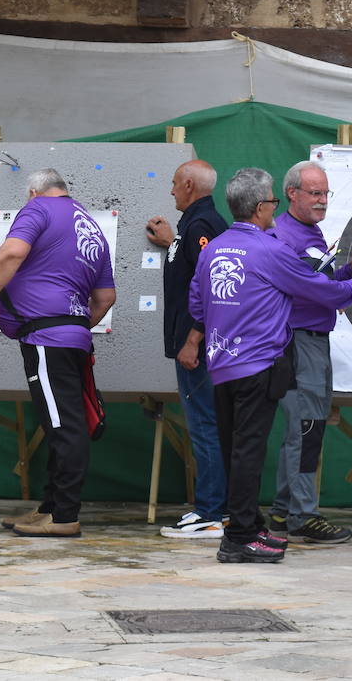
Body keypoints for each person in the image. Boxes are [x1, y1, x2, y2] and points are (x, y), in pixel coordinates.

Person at [182, 168, 352, 564]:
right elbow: (315, 289)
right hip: (257, 364)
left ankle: (246, 529)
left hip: (222, 365)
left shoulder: (214, 248)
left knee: (237, 449)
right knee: (249, 452)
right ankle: (240, 538)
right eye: (272, 202)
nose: (275, 208)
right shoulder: (270, 249)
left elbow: (198, 304)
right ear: (258, 208)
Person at [0, 168, 116, 538]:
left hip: (46, 336)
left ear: (35, 191)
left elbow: (11, 253)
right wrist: (75, 325)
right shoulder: (92, 226)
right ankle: (50, 507)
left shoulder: (39, 208)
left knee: (64, 426)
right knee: (58, 422)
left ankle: (65, 515)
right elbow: (105, 299)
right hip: (72, 335)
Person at [270, 161, 352, 544]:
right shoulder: (286, 236)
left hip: (308, 340)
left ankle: (285, 511)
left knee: (301, 427)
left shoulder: (307, 230)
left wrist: (348, 268)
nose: (321, 201)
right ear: (292, 194)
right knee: (307, 427)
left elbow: (320, 278)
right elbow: (315, 291)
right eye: (314, 193)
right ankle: (303, 515)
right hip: (300, 341)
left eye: (325, 193)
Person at [146, 159, 229, 540]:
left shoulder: (201, 225)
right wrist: (173, 242)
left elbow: (214, 288)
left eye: (176, 183)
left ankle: (211, 511)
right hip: (200, 345)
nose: (172, 189)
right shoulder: (196, 226)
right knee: (208, 423)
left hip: (199, 349)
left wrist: (193, 339)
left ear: (191, 185)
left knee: (204, 424)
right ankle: (217, 508)